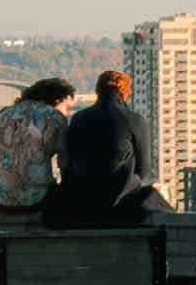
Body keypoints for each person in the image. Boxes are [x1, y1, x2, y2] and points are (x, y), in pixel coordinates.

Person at [44, 70, 165, 228]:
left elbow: (67, 162)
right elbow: (144, 169)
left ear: (98, 91)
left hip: (82, 202)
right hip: (120, 201)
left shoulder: (79, 118)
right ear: (125, 92)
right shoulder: (134, 120)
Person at [0, 78, 74, 214]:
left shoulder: (3, 113)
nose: (68, 113)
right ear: (57, 100)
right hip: (35, 201)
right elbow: (64, 163)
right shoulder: (54, 117)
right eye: (68, 107)